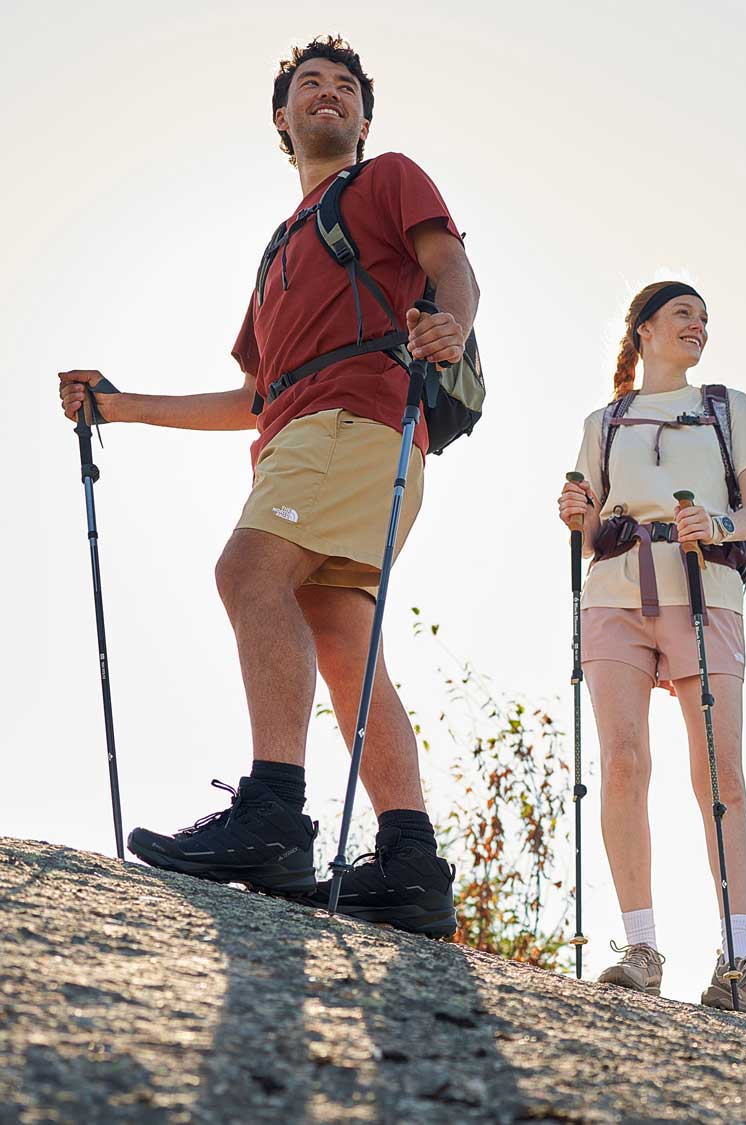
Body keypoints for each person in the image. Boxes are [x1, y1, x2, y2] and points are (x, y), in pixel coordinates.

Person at [58, 35, 479, 938]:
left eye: (346, 86)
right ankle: (411, 864)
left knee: (249, 571)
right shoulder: (279, 251)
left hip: (353, 418)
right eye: (309, 84)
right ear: (281, 119)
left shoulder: (387, 179)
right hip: (315, 434)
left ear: (364, 118)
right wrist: (118, 408)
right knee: (344, 643)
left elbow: (451, 264)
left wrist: (450, 322)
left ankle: (275, 813)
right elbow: (256, 397)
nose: (329, 93)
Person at [557, 281, 746, 1017]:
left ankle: (740, 963)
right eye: (685, 314)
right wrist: (576, 515)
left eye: (705, 319)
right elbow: (592, 536)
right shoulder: (604, 422)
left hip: (706, 591)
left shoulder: (727, 407)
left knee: (721, 773)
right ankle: (641, 949)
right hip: (615, 595)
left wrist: (718, 526)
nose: (699, 326)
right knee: (623, 762)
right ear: (645, 330)